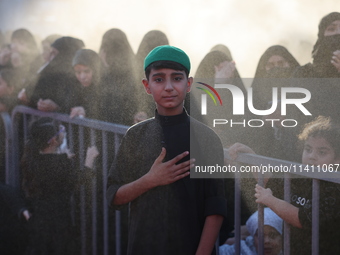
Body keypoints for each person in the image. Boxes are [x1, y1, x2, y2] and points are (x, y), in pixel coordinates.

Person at [106, 45, 227, 255]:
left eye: (177, 78)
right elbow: (114, 196)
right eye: (159, 79)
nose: (169, 87)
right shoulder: (135, 136)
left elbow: (215, 208)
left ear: (189, 84)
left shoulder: (206, 138)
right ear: (147, 85)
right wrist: (150, 180)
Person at [229, 116, 340, 254]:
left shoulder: (334, 189)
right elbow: (272, 183)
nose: (312, 156)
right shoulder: (303, 178)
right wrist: (251, 157)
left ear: (337, 159)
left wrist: (270, 200)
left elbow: (302, 219)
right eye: (308, 149)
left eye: (322, 152)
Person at [21, 117, 99, 255]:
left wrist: (63, 159)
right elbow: (79, 179)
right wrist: (90, 158)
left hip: (38, 222)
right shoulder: (60, 165)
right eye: (60, 131)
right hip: (58, 224)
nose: (63, 132)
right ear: (53, 141)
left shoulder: (32, 161)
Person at [28, 36, 85, 113]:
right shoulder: (52, 75)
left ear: (64, 55)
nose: (50, 57)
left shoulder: (79, 77)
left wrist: (57, 108)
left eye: (54, 53)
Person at [99, 28, 138, 126]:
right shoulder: (135, 67)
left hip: (122, 125)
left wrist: (106, 67)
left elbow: (117, 97)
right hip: (111, 127)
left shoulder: (132, 71)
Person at [70, 48, 103, 120]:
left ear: (95, 70)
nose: (82, 77)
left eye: (87, 71)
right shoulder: (73, 87)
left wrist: (86, 111)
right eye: (78, 72)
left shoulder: (105, 88)